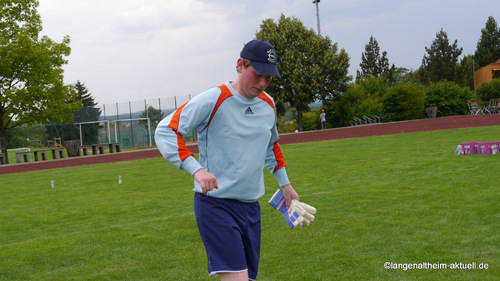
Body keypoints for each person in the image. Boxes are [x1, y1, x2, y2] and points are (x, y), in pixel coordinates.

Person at [155, 39, 300, 281]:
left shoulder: (268, 104)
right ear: (240, 65)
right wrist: (196, 169)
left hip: (251, 207)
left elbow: (271, 145)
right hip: (216, 206)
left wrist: (285, 186)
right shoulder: (214, 98)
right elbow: (165, 130)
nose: (263, 83)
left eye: (269, 77)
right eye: (258, 74)